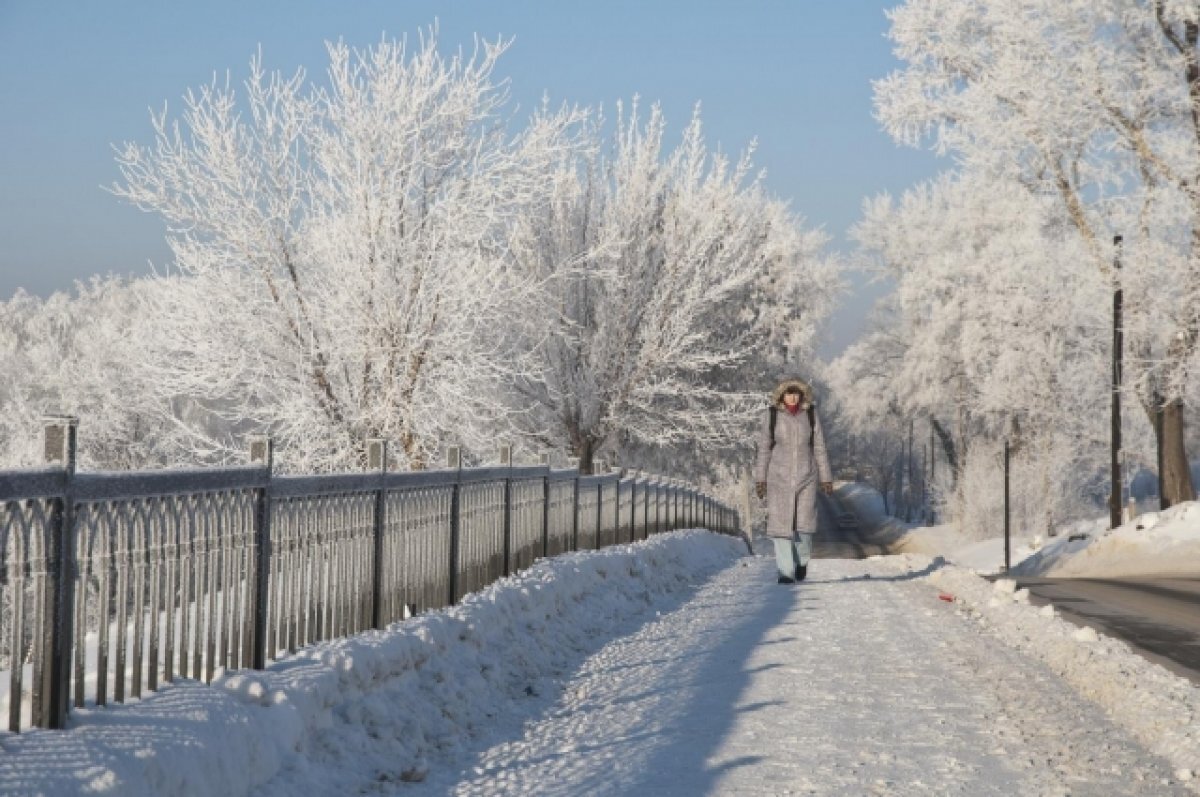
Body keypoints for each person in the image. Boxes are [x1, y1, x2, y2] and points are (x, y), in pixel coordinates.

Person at [754, 378, 833, 583]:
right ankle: (785, 572)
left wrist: (826, 478)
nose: (793, 396)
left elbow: (819, 448)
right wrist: (760, 479)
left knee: (804, 528)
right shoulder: (772, 415)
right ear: (782, 395)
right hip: (778, 477)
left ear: (802, 395)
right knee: (781, 527)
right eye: (789, 393)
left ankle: (801, 561)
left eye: (796, 393)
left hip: (806, 476)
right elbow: (764, 449)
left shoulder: (810, 414)